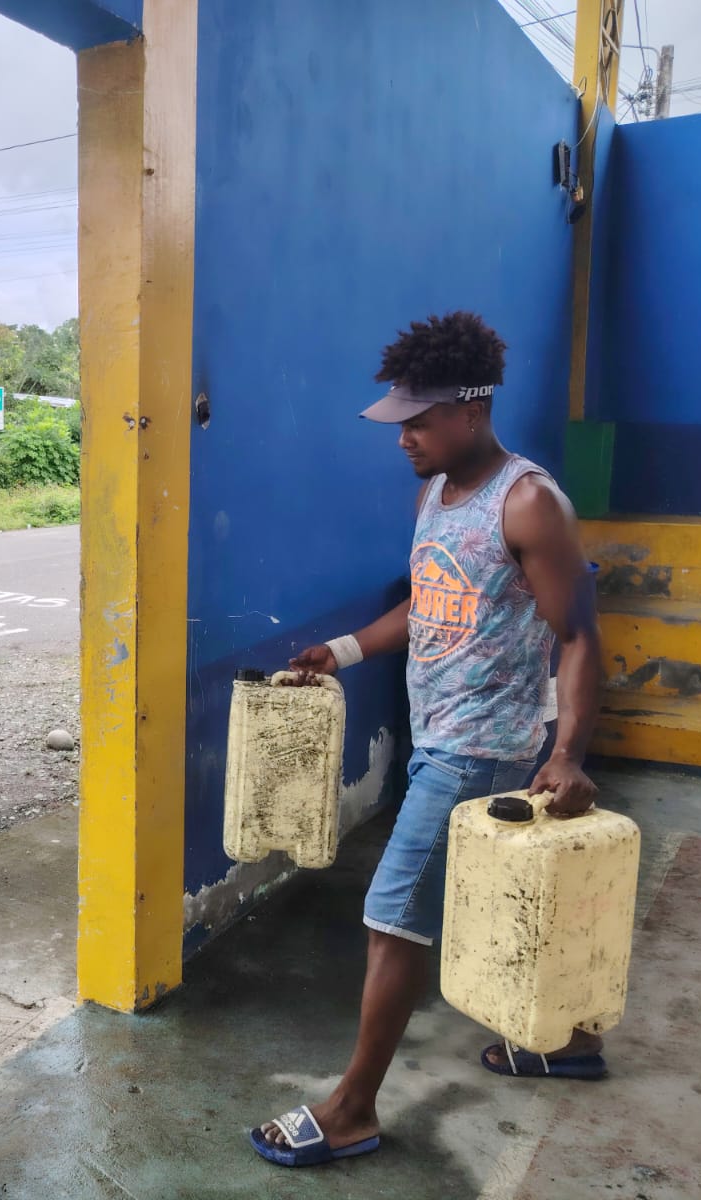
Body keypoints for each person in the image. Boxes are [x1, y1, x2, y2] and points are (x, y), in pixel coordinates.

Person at [250, 311, 604, 1169]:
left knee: (393, 917)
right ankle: (569, 1040)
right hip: (436, 732)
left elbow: (580, 635)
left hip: (482, 745)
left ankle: (351, 1109)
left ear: (471, 411)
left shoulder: (529, 502)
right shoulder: (435, 496)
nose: (403, 436)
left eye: (418, 420)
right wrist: (342, 651)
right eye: (399, 421)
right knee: (492, 897)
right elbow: (429, 601)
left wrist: (567, 753)